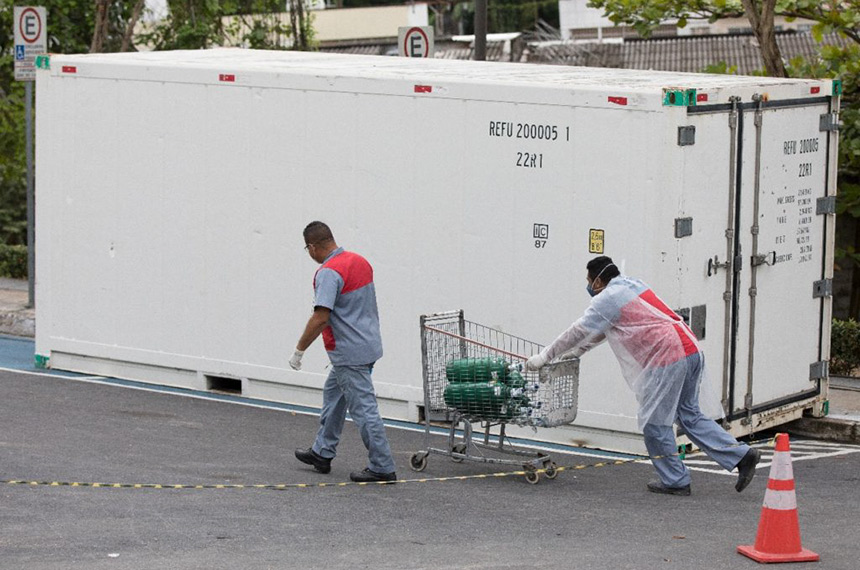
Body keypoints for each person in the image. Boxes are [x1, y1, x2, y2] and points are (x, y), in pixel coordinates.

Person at [524, 256, 760, 496]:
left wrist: (545, 356)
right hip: (690, 348)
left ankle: (675, 480)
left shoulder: (607, 299)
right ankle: (741, 455)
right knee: (689, 414)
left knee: (654, 423)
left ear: (597, 281)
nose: (588, 286)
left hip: (669, 357)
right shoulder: (632, 285)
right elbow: (606, 329)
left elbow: (577, 331)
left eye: (588, 280)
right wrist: (578, 352)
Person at [289, 221, 397, 483]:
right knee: (334, 395)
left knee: (364, 409)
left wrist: (299, 350)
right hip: (368, 344)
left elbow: (321, 317)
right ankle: (322, 452)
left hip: (349, 352)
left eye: (308, 250)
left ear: (312, 246)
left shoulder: (328, 272)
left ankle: (382, 467)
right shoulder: (359, 261)